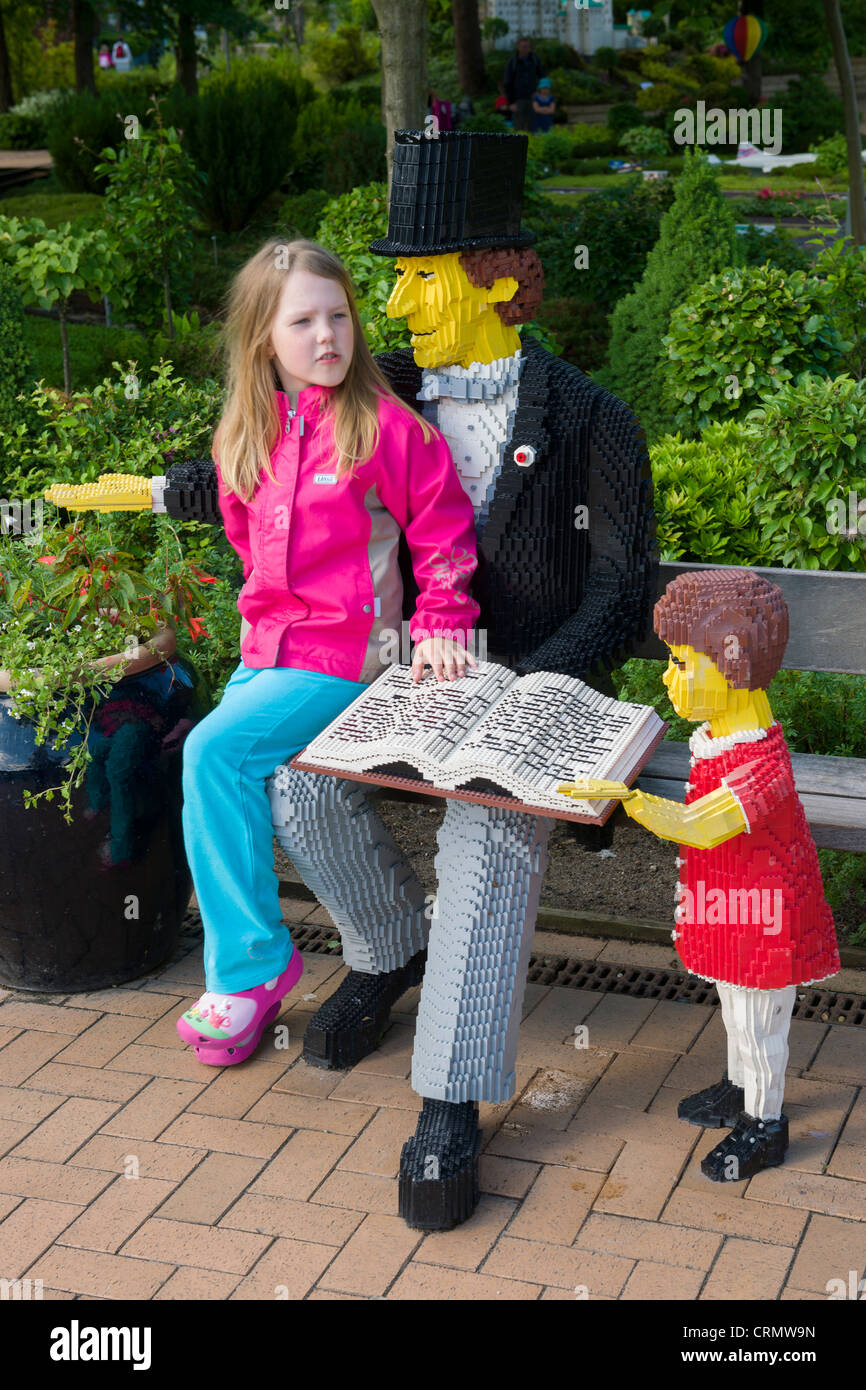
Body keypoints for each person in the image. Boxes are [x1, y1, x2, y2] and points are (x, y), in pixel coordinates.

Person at [173, 239, 481, 1067]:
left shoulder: (386, 427)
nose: (326, 336)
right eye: (302, 321)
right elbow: (249, 547)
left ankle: (250, 970)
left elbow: (442, 532)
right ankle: (266, 956)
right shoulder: (247, 434)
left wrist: (444, 625)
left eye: (338, 315)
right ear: (262, 341)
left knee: (212, 753)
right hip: (269, 656)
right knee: (223, 768)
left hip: (350, 657)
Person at [560, 569, 840, 1182]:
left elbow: (702, 826)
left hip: (765, 920)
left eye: (683, 664)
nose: (668, 676)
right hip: (730, 906)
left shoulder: (761, 764)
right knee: (732, 1005)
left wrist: (629, 800)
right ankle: (739, 1089)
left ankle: (765, 1123)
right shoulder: (719, 736)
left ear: (733, 666)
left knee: (758, 1019)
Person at [503, 35, 545, 133]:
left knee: (533, 128)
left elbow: (543, 77)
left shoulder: (535, 60)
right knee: (518, 128)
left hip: (533, 99)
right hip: (518, 100)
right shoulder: (512, 62)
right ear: (518, 47)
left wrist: (539, 92)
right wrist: (511, 103)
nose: (526, 49)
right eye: (523, 46)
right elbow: (507, 83)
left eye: (527, 46)